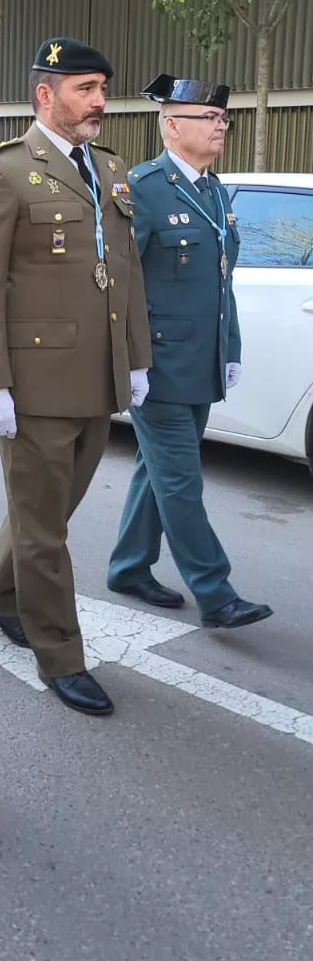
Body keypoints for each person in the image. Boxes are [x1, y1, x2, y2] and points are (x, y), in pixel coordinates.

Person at [0, 36, 152, 717]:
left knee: (48, 512)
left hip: (95, 378)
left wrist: (138, 356)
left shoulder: (107, 167)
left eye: (101, 88)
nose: (99, 101)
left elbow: (124, 273)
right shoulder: (4, 172)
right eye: (85, 88)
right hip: (33, 384)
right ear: (46, 95)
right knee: (45, 532)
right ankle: (60, 655)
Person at [107, 73, 272, 629]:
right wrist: (130, 361)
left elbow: (221, 283)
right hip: (157, 369)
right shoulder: (143, 189)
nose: (221, 126)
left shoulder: (211, 187)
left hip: (199, 363)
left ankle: (129, 566)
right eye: (210, 119)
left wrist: (231, 348)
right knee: (181, 480)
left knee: (157, 472)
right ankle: (215, 592)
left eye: (224, 119)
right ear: (171, 125)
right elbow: (120, 285)